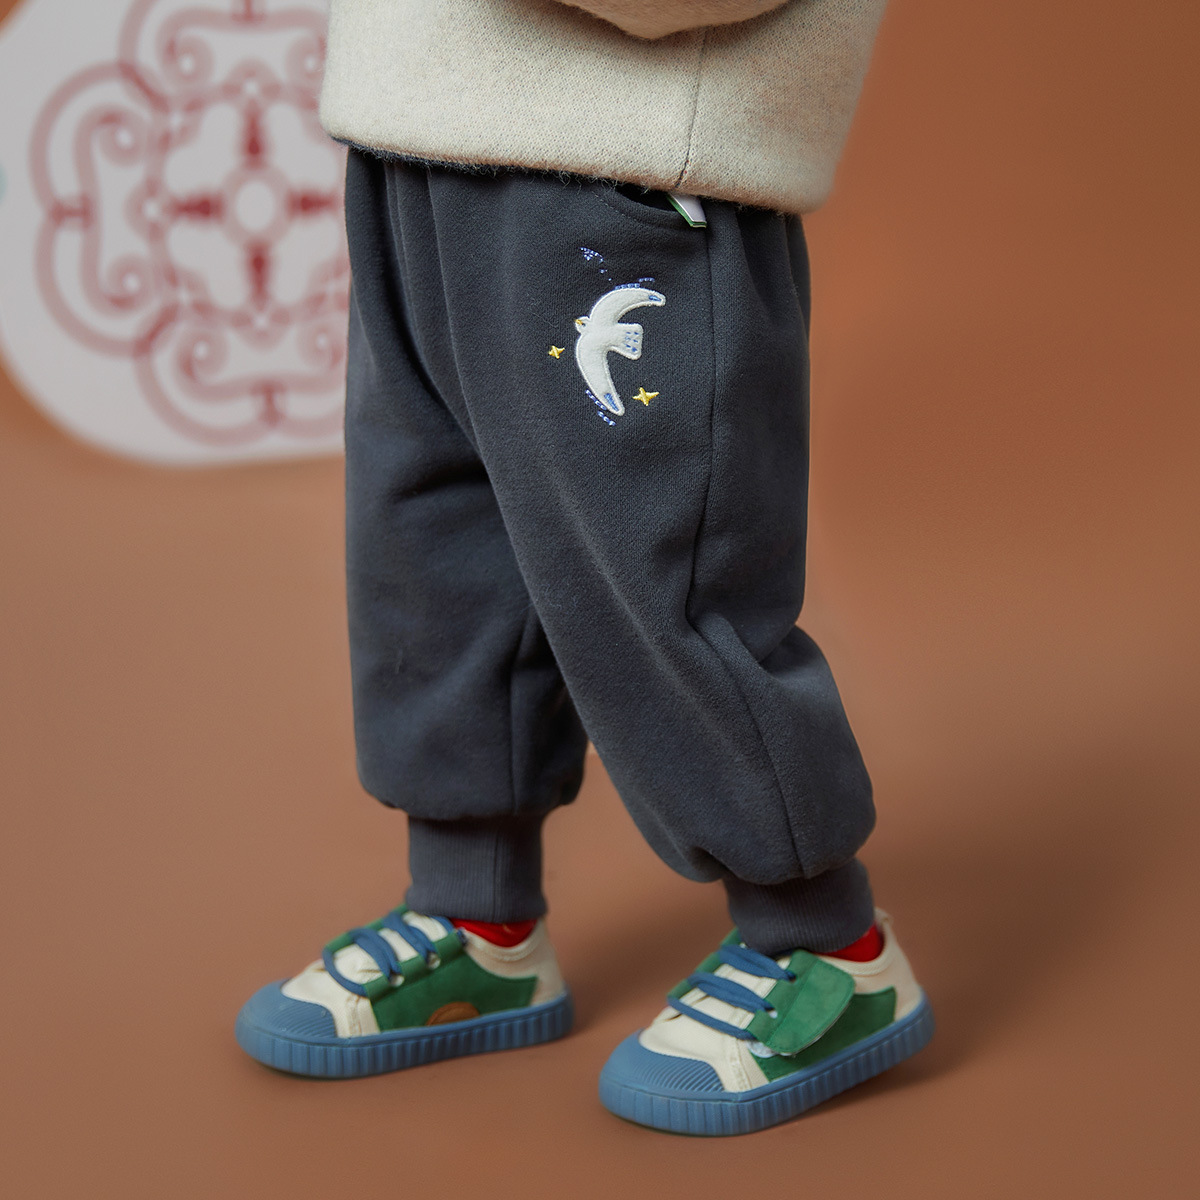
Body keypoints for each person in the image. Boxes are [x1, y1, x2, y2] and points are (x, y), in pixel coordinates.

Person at [236, 0, 933, 1135]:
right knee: (435, 553)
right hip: (412, 135)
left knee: (667, 579)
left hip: (622, 152)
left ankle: (825, 943)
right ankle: (478, 916)